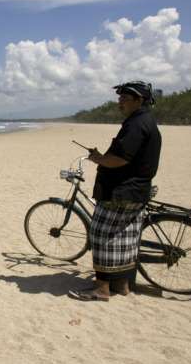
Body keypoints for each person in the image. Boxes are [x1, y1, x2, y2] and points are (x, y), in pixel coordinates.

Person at [69, 81, 161, 301]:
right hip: (137, 191)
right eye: (120, 98)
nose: (120, 102)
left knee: (100, 235)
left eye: (125, 98)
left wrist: (98, 158)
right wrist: (102, 157)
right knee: (125, 238)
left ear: (140, 100)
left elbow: (120, 158)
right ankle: (122, 284)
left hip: (122, 192)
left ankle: (101, 289)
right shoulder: (145, 121)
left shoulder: (136, 124)